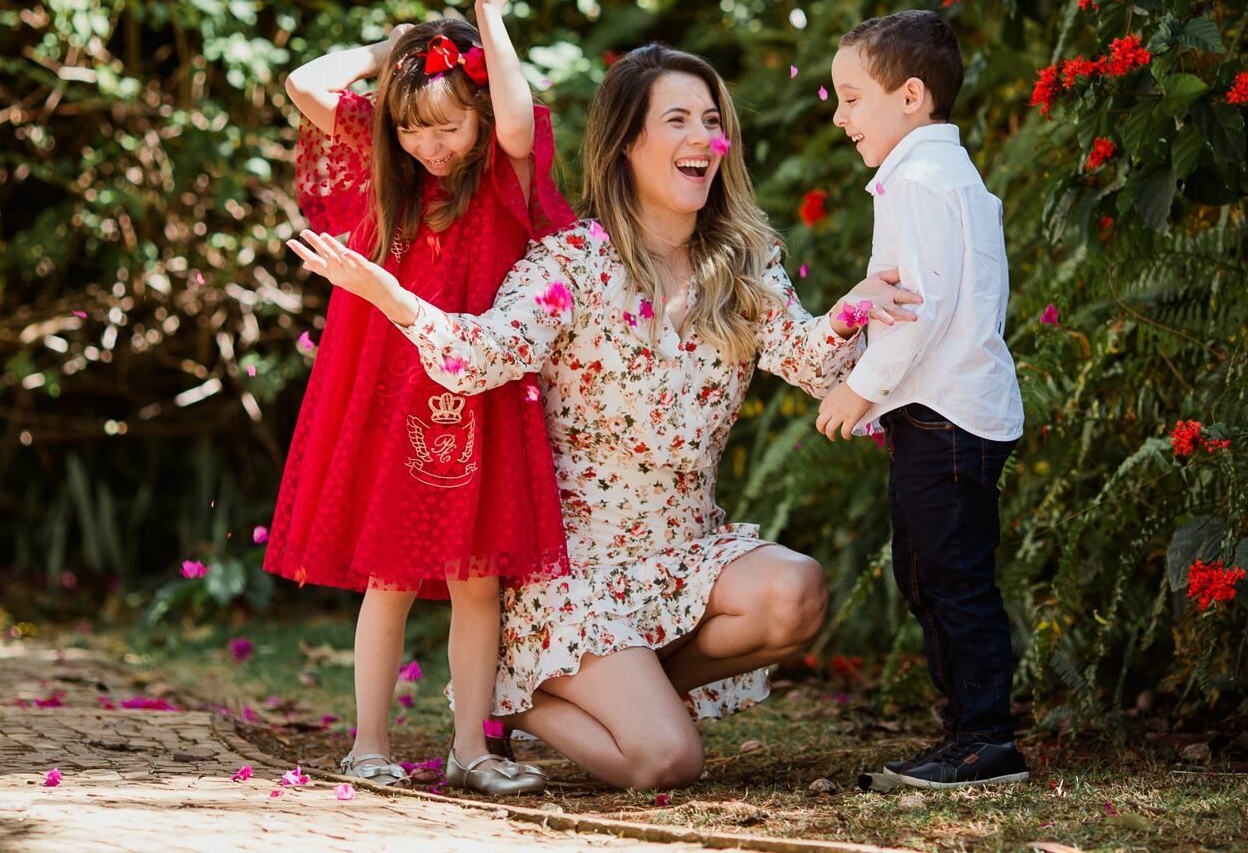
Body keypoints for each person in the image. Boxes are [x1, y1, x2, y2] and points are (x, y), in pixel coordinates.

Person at [286, 44, 919, 789]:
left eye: (712, 121)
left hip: (686, 552)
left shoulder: (741, 264)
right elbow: (477, 357)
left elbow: (812, 365)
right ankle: (513, 695)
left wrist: (853, 311)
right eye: (677, 119)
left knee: (795, 593)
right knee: (665, 761)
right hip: (575, 579)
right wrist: (390, 294)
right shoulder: (571, 265)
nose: (701, 139)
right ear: (626, 143)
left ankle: (624, 692)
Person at [265, 0, 574, 798]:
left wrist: (487, 20)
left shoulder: (503, 169)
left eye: (447, 129)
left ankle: (471, 747)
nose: (429, 147)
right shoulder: (387, 165)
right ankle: (369, 744)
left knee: (478, 580)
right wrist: (394, 50)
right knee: (390, 573)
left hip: (480, 388)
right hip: (387, 390)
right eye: (411, 131)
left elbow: (514, 123)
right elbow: (302, 82)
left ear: (475, 115)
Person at [816, 9, 1032, 790]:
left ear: (910, 97)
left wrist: (857, 388)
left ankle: (985, 739)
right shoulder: (947, 174)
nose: (839, 117)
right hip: (946, 414)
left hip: (944, 416)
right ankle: (965, 731)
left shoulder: (917, 178)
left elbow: (916, 306)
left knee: (950, 578)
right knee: (928, 572)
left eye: (850, 98)